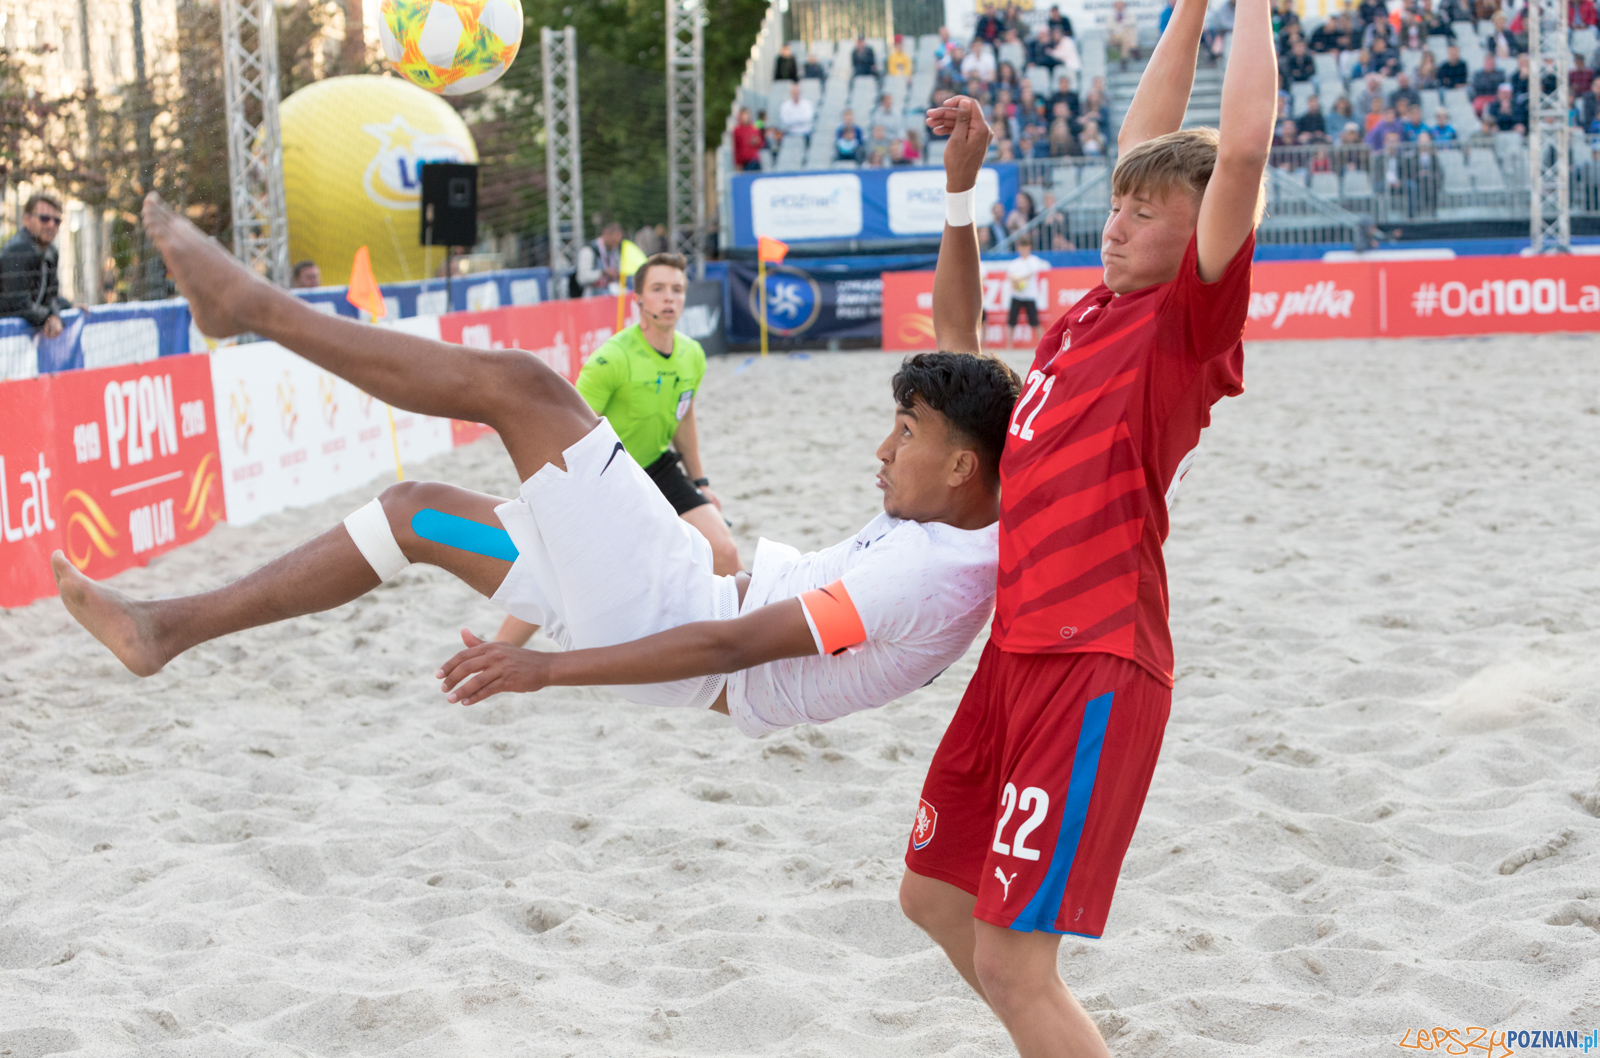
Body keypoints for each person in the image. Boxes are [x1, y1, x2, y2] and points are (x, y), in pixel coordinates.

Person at [61, 194, 1024, 740]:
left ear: (963, 465)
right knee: (417, 514)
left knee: (520, 386)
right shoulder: (955, 504)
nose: (882, 448)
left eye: (904, 432)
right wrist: (957, 191)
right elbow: (958, 335)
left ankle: (254, 309)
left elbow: (728, 649)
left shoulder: (929, 568)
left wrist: (545, 667)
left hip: (672, 610)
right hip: (651, 590)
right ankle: (163, 630)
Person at [909, 0, 1274, 1054]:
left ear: (1194, 238)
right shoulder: (1084, 316)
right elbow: (1139, 148)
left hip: (1094, 661)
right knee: (932, 896)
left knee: (1013, 961)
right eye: (1117, 206)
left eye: (1146, 215)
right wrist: (1188, 10)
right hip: (1014, 655)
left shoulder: (1181, 325)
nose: (1117, 222)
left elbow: (1237, 149)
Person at [492, 252, 743, 646]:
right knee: (561, 575)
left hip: (659, 468)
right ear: (638, 299)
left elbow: (684, 417)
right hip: (608, 476)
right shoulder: (612, 359)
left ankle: (733, 645)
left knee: (725, 551)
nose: (669, 299)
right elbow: (561, 428)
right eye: (658, 289)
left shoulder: (692, 353)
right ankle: (496, 650)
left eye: (677, 290)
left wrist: (700, 480)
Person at [1, 192, 71, 339]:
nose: (51, 225)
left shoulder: (51, 251)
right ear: (27, 219)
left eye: (57, 221)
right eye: (44, 218)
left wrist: (67, 306)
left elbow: (50, 297)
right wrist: (48, 317)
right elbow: (15, 304)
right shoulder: (18, 250)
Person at [1002, 233, 1047, 344]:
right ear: (1018, 248)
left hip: (1030, 295)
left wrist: (1018, 279)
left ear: (1029, 247)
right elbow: (1009, 276)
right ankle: (1009, 346)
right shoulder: (1015, 263)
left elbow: (1031, 274)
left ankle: (1042, 344)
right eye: (1021, 247)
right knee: (1011, 322)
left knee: (1035, 322)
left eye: (1025, 247)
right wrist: (1015, 281)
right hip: (1017, 295)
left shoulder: (1034, 260)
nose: (1023, 249)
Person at [574, 221, 622, 298]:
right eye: (613, 241)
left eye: (617, 242)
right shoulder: (589, 250)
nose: (615, 245)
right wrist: (602, 273)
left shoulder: (614, 251)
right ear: (605, 234)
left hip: (609, 296)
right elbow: (581, 278)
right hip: (592, 298)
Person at [1107, 0, 1142, 65]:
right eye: (1118, 5)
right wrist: (1123, 25)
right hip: (1115, 36)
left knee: (1127, 37)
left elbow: (1133, 21)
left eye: (1121, 5)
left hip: (1125, 36)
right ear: (1115, 5)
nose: (1120, 6)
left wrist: (1122, 24)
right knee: (1128, 33)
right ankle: (1133, 48)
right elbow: (1110, 27)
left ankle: (1124, 59)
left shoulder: (1128, 12)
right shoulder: (1111, 14)